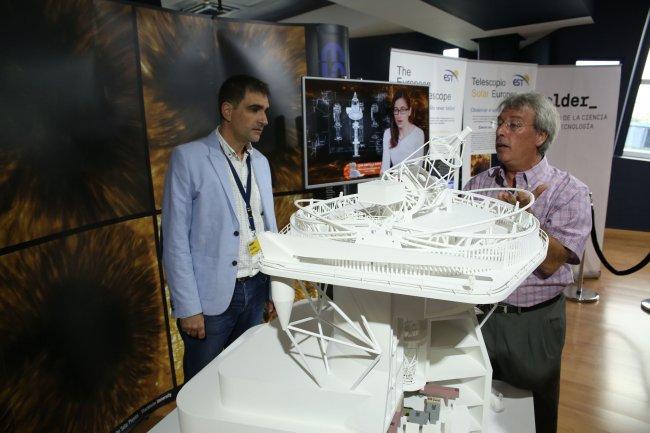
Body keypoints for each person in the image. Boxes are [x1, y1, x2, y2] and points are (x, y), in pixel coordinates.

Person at [464, 92, 591, 433]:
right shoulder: (478, 185)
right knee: (478, 404)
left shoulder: (569, 192)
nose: (501, 132)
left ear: (540, 137)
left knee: (536, 411)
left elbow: (551, 264)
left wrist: (525, 220)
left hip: (533, 323)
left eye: (514, 125)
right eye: (500, 123)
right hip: (480, 317)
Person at [162, 75, 278, 381]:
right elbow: (174, 240)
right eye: (254, 109)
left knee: (244, 377)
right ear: (228, 111)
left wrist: (273, 286)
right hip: (210, 301)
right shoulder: (189, 158)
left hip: (255, 287)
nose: (264, 119)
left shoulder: (262, 162)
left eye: (265, 110)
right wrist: (188, 307)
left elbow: (268, 229)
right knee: (203, 385)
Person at [380, 90, 425, 173]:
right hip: (394, 182)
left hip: (412, 182)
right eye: (396, 110)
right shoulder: (388, 133)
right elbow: (384, 168)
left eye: (403, 110)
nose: (399, 115)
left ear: (409, 111)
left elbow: (418, 168)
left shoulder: (418, 133)